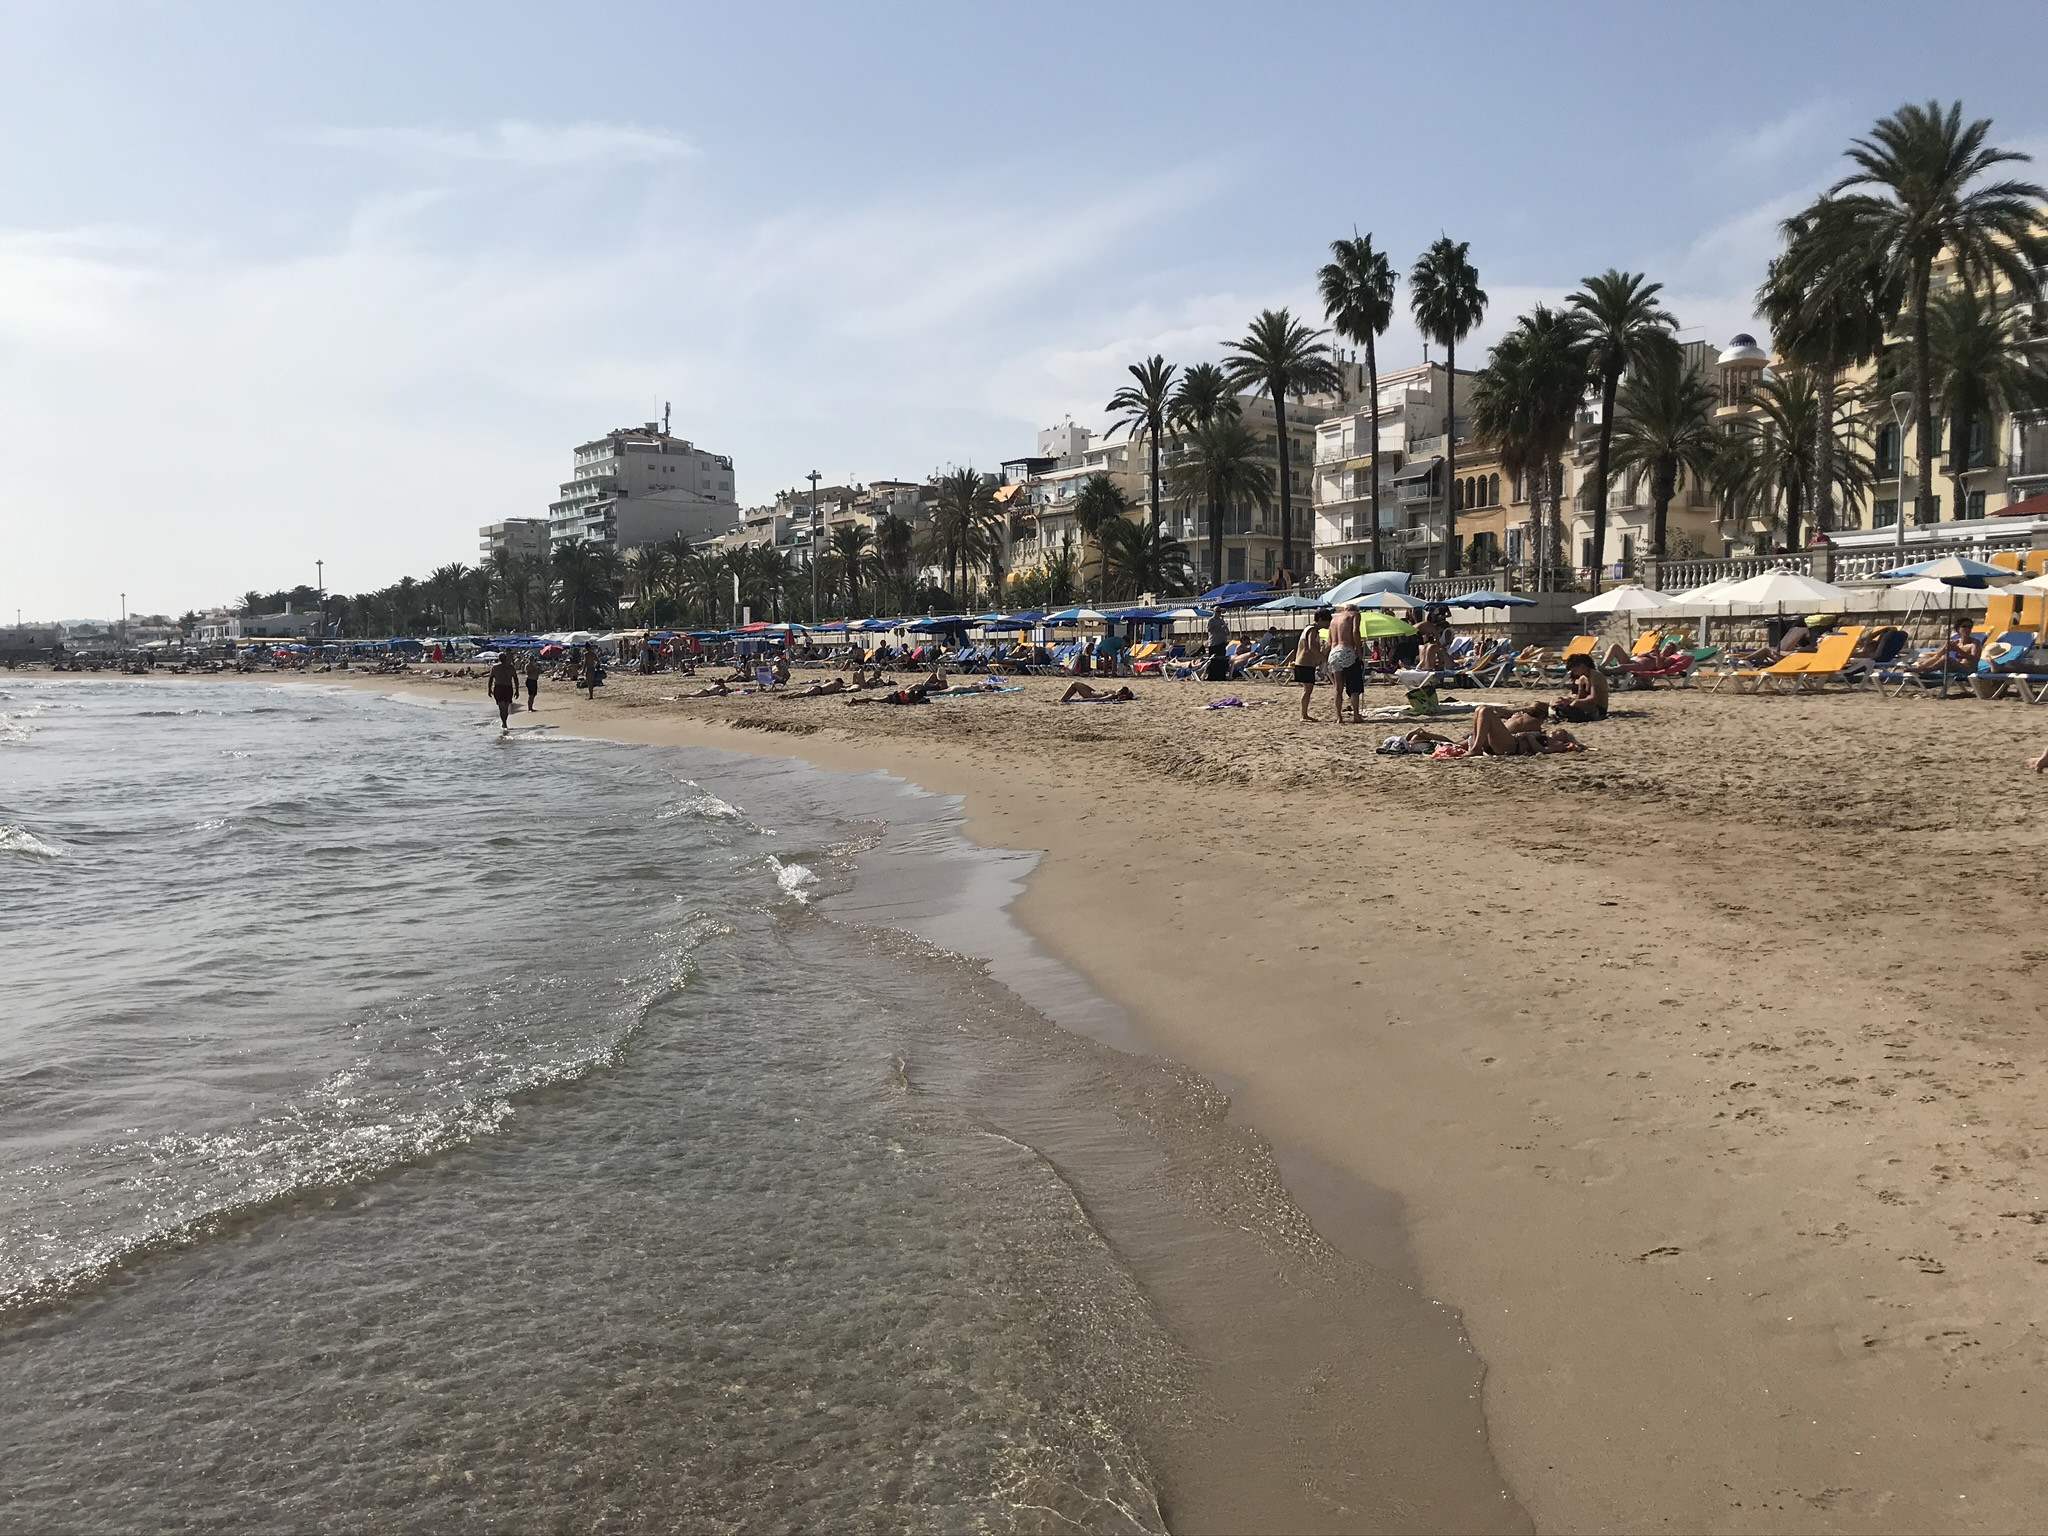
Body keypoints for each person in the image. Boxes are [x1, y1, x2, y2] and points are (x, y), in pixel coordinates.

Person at [1326, 602, 1365, 725]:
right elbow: (1355, 632)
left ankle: (1339, 717)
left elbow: (1329, 640)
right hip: (1347, 650)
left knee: (1338, 687)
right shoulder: (1354, 615)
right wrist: (1358, 651)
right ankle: (1356, 715)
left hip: (1333, 652)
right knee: (1354, 685)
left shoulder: (1334, 619)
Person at [1291, 612, 1329, 722]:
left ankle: (1304, 714)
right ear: (1321, 619)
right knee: (1307, 689)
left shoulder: (1310, 629)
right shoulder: (1312, 630)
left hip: (1307, 663)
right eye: (1327, 621)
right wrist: (1322, 658)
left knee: (1308, 689)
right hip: (1304, 663)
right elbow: (1311, 646)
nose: (1328, 623)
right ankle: (1303, 715)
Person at [1555, 654, 1609, 722]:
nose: (1574, 674)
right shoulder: (1582, 678)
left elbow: (1594, 698)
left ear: (1582, 666)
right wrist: (1569, 701)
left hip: (1599, 708)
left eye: (1575, 670)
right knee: (1561, 702)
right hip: (1588, 706)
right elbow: (1580, 697)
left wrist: (1574, 702)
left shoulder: (1595, 676)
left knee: (1575, 704)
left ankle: (1564, 713)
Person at [485, 652, 519, 729]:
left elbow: (491, 679)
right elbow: (515, 679)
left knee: (502, 708)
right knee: (505, 708)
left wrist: (489, 689)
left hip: (500, 688)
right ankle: (504, 723)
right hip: (507, 688)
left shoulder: (495, 667)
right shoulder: (510, 667)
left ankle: (504, 723)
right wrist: (517, 690)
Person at [1204, 609, 1232, 682]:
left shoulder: (1222, 621)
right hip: (1214, 643)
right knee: (1213, 660)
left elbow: (1227, 633)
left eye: (1220, 612)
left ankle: (1221, 676)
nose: (1219, 613)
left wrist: (1225, 628)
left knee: (1222, 660)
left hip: (1222, 642)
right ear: (1214, 612)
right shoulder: (1211, 620)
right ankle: (1212, 676)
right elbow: (1210, 630)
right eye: (1218, 612)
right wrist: (1220, 628)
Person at [1060, 681, 1136, 702]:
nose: (1117, 689)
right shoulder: (1114, 694)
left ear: (1120, 693)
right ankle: (1064, 699)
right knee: (1075, 684)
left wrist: (1078, 700)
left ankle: (1062, 700)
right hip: (1093, 692)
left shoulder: (1112, 696)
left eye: (1119, 689)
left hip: (1091, 695)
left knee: (1074, 684)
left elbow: (1099, 699)